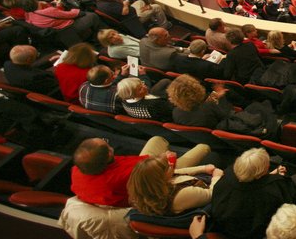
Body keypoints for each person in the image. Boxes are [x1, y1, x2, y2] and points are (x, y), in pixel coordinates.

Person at [71, 136, 210, 207]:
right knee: (203, 147)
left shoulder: (79, 168)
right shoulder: (130, 174)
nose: (110, 144)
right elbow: (162, 175)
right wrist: (170, 160)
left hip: (144, 163)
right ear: (108, 155)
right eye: (107, 145)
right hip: (157, 173)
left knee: (157, 140)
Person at [210, 148, 296, 239]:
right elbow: (287, 204)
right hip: (257, 237)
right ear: (261, 173)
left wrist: (271, 176)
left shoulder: (226, 178)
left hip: (226, 231)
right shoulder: (274, 190)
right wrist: (280, 178)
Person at [127, 155, 223, 216]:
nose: (171, 164)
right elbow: (211, 194)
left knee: (213, 156)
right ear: (160, 177)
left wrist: (204, 168)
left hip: (199, 184)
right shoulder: (180, 195)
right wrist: (217, 177)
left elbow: (179, 172)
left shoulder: (153, 186)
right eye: (167, 166)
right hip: (210, 198)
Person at [79, 64, 152, 114]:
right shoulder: (118, 94)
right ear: (106, 80)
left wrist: (122, 75)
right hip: (128, 110)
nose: (114, 73)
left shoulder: (84, 86)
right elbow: (143, 90)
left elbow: (109, 86)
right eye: (112, 73)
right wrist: (143, 75)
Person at [167, 73, 232, 128]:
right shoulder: (209, 107)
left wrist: (215, 96)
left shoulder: (176, 113)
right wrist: (221, 97)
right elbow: (227, 116)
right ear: (196, 88)